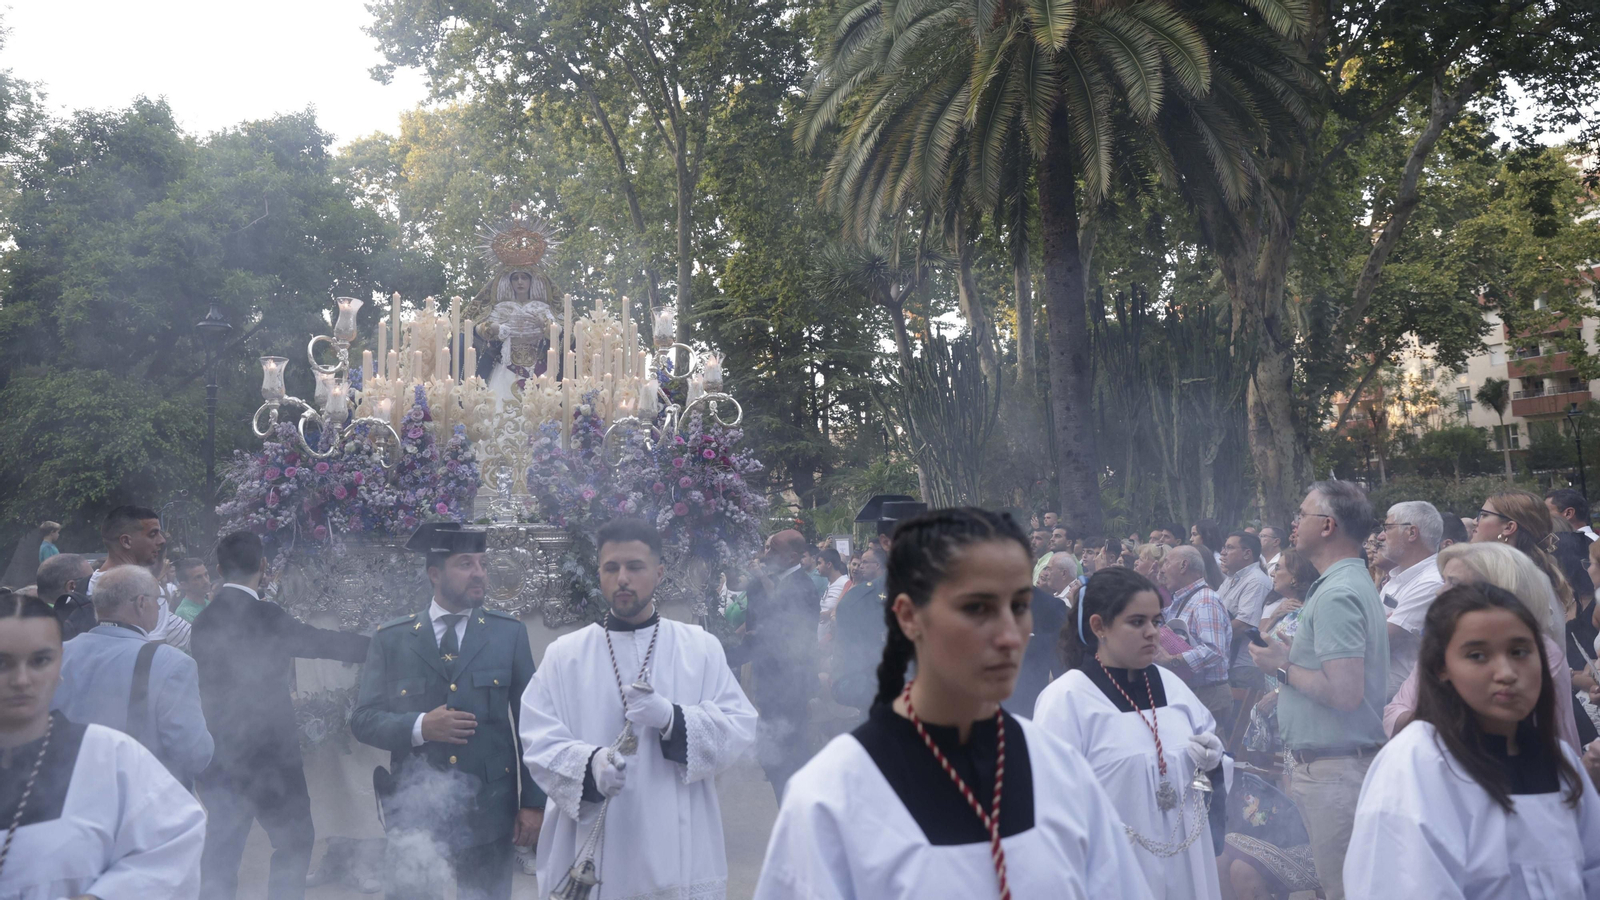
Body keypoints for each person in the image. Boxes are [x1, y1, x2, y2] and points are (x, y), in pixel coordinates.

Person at [753, 508, 1154, 900]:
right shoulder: (833, 795)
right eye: (976, 607)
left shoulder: (1061, 772)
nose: (1008, 635)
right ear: (909, 617)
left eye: (1018, 606)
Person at [520, 517, 757, 900]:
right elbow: (537, 738)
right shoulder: (565, 655)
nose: (622, 579)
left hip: (676, 836)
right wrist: (589, 764)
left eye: (635, 567)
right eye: (611, 568)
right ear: (599, 573)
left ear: (659, 572)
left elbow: (740, 726)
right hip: (594, 838)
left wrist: (672, 719)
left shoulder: (699, 647)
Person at [1344, 583, 1600, 899]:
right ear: (1441, 668)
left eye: (1520, 651)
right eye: (1478, 655)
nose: (1506, 672)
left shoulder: (1559, 761)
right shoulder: (1417, 762)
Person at [349, 522, 545, 900]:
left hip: (489, 809)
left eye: (483, 564)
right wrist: (421, 726)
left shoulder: (508, 635)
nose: (479, 574)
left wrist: (533, 804)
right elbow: (362, 719)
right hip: (415, 811)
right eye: (466, 564)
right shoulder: (392, 639)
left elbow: (531, 724)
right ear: (434, 573)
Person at [194, 531, 372, 900]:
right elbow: (320, 642)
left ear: (218, 569)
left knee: (222, 850)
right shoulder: (266, 615)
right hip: (270, 753)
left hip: (221, 752)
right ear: (263, 567)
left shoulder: (204, 620)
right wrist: (381, 646)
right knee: (293, 840)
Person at [1034, 567, 1226, 900]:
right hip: (1112, 873)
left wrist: (1214, 766)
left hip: (1186, 864)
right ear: (1099, 626)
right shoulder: (1068, 699)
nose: (1152, 633)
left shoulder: (1173, 687)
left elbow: (1213, 778)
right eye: (1137, 622)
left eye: (1157, 621)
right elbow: (1048, 803)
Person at [0, 592, 206, 899]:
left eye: (40, 660)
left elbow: (173, 841)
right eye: (3, 662)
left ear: (60, 665)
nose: (22, 679)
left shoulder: (111, 756)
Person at [1246, 480, 1388, 900]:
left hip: (1335, 773)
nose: (1293, 523)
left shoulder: (1337, 592)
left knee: (1346, 890)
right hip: (1332, 768)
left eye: (1301, 515)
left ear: (1327, 525)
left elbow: (1345, 693)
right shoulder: (1343, 583)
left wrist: (1282, 667)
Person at [1383, 542, 1582, 751]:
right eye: (1443, 581)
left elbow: (1544, 740)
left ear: (1497, 591)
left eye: (1454, 584)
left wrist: (1434, 717)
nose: (1439, 592)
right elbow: (1394, 711)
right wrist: (1428, 721)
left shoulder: (1541, 654)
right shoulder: (1443, 643)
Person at [51, 564, 212, 788]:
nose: (159, 606)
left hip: (70, 795)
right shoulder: (173, 664)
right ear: (141, 603)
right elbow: (194, 753)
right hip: (146, 802)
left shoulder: (59, 653)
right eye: (159, 600)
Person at [729, 528, 820, 800]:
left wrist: (760, 638)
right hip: (767, 684)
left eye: (773, 549)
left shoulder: (804, 587)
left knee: (791, 762)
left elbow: (792, 636)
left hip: (792, 688)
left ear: (793, 557)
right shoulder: (761, 584)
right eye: (766, 547)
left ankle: (799, 823)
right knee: (772, 760)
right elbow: (749, 625)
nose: (766, 554)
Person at [1243, 550, 1321, 757]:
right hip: (1278, 706)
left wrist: (1277, 695)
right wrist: (1275, 616)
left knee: (1292, 771)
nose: (1272, 573)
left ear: (1295, 576)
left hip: (1293, 704)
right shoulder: (1285, 609)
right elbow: (1264, 642)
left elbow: (1306, 662)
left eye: (1278, 568)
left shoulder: (1307, 613)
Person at [88, 505, 189, 652]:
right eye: (153, 534)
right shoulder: (147, 592)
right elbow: (152, 656)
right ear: (126, 542)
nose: (161, 540)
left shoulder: (85, 584)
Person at [1155, 545, 1234, 731]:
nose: (1162, 568)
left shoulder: (1205, 601)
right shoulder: (1184, 599)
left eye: (1166, 561)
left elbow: (1215, 651)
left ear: (1183, 565)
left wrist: (1172, 660)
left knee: (1209, 756)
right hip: (1195, 694)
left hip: (1208, 696)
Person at [1378, 501, 1445, 699]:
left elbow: (1378, 639)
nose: (1381, 536)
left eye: (1388, 528)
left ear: (1412, 533)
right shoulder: (1398, 577)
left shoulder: (1432, 582)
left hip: (1410, 703)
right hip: (1384, 700)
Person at [829, 545, 888, 712]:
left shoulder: (880, 595)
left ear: (877, 565)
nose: (860, 566)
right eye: (859, 562)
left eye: (864, 562)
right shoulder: (858, 595)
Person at [817, 547, 849, 640]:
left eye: (819, 563)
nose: (817, 567)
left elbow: (848, 611)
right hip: (823, 643)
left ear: (829, 564)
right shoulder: (830, 583)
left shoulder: (845, 583)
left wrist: (831, 613)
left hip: (835, 642)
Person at [170, 557, 212, 624]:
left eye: (206, 574)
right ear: (184, 585)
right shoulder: (184, 613)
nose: (206, 581)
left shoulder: (208, 603)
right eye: (198, 577)